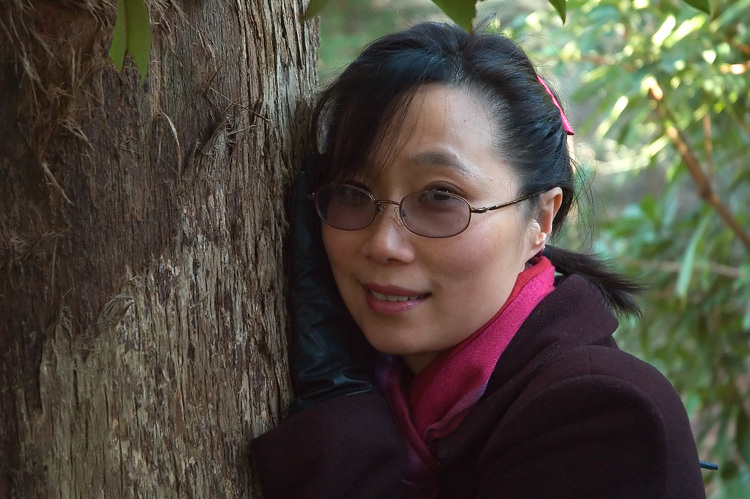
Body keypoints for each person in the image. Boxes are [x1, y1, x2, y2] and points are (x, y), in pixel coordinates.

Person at [252, 22, 707, 498]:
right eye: (352, 192)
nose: (383, 243)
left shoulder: (603, 415)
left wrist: (336, 399)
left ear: (541, 220)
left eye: (441, 196)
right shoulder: (401, 383)